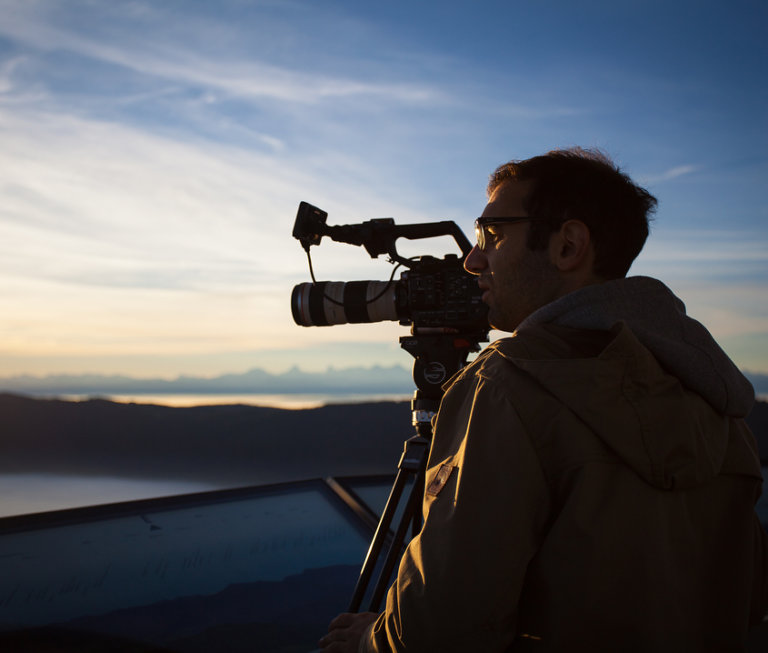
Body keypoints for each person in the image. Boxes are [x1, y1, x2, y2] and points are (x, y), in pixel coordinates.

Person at [319, 148, 768, 652]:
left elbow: (441, 627)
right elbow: (748, 601)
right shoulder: (711, 395)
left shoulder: (508, 386)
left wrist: (370, 642)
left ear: (568, 245)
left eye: (494, 235)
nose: (473, 259)